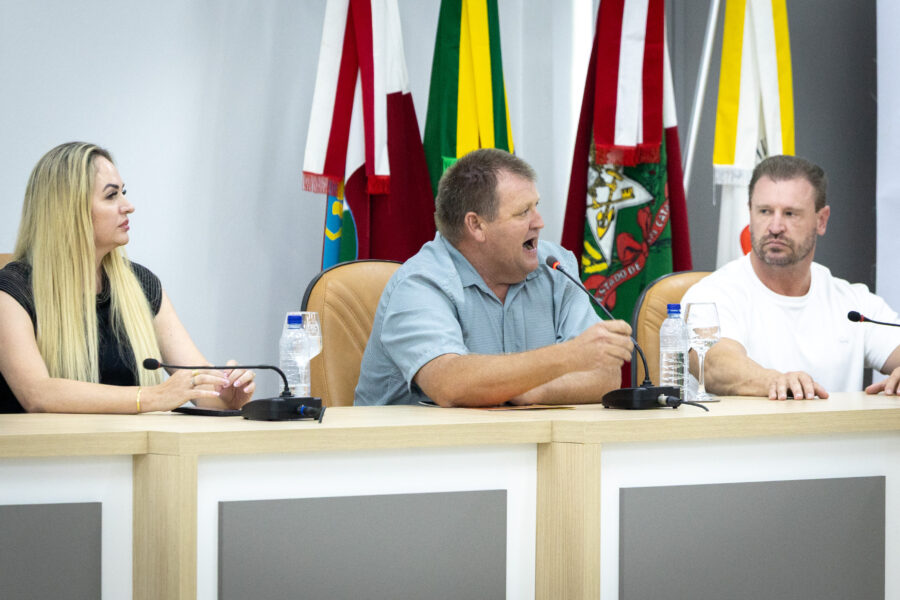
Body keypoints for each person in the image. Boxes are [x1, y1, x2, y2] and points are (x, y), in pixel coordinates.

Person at [354, 148, 633, 407]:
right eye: (523, 212)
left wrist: (527, 391)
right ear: (476, 225)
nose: (539, 222)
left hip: (518, 441)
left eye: (536, 206)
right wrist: (569, 356)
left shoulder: (556, 268)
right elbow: (450, 384)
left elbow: (605, 375)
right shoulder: (421, 283)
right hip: (412, 444)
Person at [0, 142, 256, 413]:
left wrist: (227, 395)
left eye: (123, 193)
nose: (128, 206)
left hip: (132, 441)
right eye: (111, 196)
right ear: (68, 209)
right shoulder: (12, 290)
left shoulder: (142, 284)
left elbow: (199, 384)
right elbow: (38, 395)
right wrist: (153, 397)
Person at [681, 154, 900, 401]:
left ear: (821, 220)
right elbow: (712, 365)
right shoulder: (711, 295)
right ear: (750, 213)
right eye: (765, 211)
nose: (775, 227)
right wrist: (774, 382)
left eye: (790, 213)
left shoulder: (854, 304)